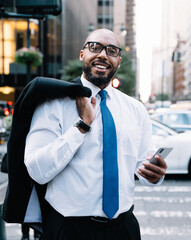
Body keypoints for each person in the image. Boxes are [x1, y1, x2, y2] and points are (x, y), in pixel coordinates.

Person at [24, 28, 167, 240]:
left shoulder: (135, 109)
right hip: (68, 229)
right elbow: (37, 170)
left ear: (118, 61)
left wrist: (154, 175)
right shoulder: (53, 103)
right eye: (95, 47)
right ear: (82, 54)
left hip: (124, 228)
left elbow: (141, 166)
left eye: (111, 50)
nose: (102, 54)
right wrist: (81, 126)